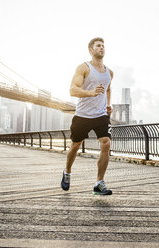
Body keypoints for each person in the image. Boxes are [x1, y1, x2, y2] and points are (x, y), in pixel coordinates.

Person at [61, 37, 114, 195]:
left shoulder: (109, 72)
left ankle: (99, 183)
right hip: (82, 115)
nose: (102, 48)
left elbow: (108, 88)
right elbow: (73, 90)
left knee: (106, 144)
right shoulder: (83, 68)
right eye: (98, 46)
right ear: (91, 50)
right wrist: (91, 93)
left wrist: (108, 104)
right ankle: (67, 171)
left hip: (101, 115)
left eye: (103, 46)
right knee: (75, 145)